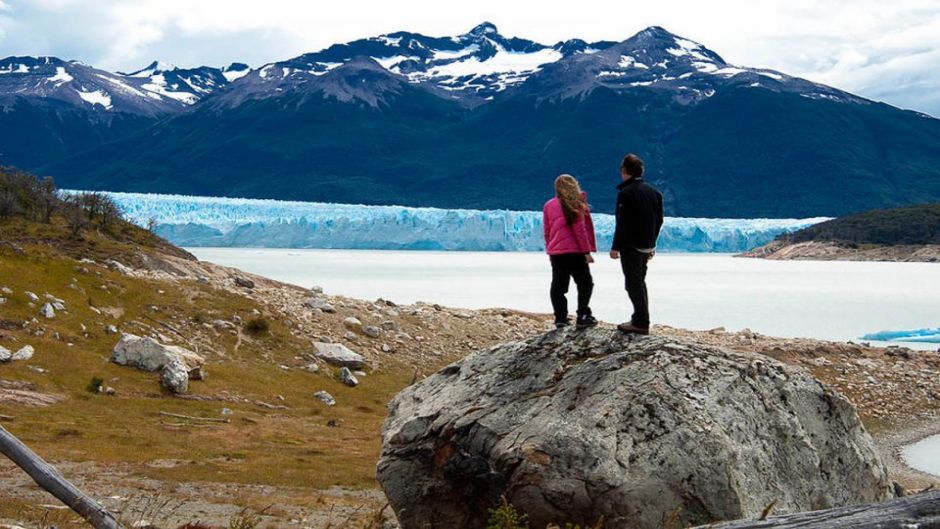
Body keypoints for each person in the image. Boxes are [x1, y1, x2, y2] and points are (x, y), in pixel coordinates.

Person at [609, 154, 664, 335]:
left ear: (624, 171)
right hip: (647, 245)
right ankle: (640, 318)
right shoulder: (654, 192)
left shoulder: (626, 193)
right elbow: (659, 220)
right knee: (639, 282)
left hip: (631, 246)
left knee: (633, 284)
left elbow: (622, 222)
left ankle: (641, 322)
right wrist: (652, 243)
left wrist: (616, 246)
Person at [543, 174, 598, 329]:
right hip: (575, 252)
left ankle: (560, 318)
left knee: (558, 286)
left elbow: (547, 231)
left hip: (557, 253)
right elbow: (580, 231)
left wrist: (550, 249)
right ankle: (583, 315)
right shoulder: (577, 205)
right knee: (585, 283)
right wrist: (586, 252)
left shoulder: (548, 205)